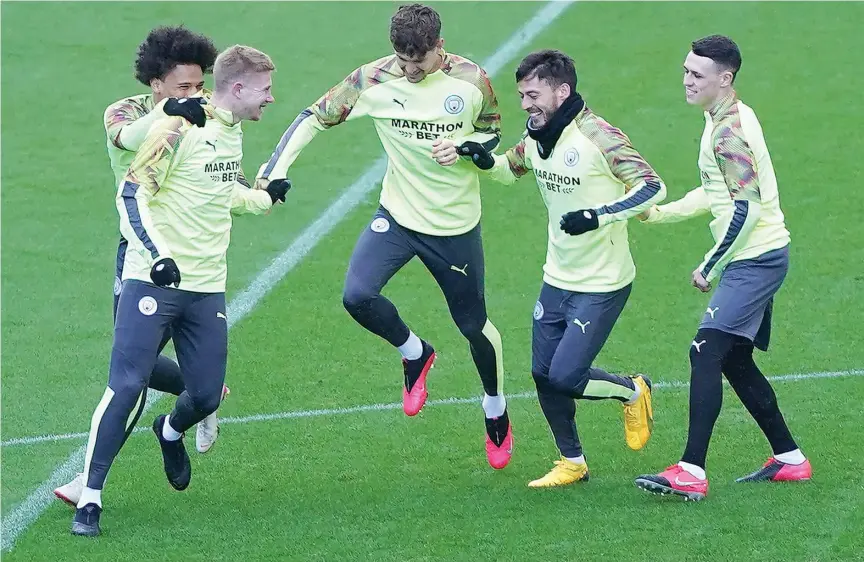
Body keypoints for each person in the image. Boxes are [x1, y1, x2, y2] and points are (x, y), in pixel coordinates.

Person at [255, 3, 512, 469]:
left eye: (420, 62)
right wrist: (273, 171)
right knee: (357, 295)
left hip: (453, 227)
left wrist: (468, 148)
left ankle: (495, 407)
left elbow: (492, 134)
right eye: (402, 62)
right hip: (396, 216)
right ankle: (415, 353)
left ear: (439, 45)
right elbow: (313, 116)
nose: (410, 72)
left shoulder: (472, 81)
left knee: (474, 326)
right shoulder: (372, 80)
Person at [71, 45, 290, 537]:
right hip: (152, 276)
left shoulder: (229, 132)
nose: (271, 99)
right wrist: (158, 255)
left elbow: (217, 188)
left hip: (208, 285)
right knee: (127, 382)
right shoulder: (175, 126)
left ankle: (169, 431)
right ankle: (91, 496)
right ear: (239, 89)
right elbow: (131, 190)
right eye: (266, 89)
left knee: (207, 395)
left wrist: (261, 199)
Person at [456, 50, 663, 487]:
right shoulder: (538, 135)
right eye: (521, 95)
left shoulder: (597, 136)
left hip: (603, 282)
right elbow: (511, 169)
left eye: (533, 94)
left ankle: (633, 390)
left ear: (561, 91)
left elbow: (652, 186)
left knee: (567, 376)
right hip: (557, 276)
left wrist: (598, 215)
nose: (525, 104)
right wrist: (482, 160)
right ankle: (572, 461)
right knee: (542, 372)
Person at [54, 25, 231, 509]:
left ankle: (88, 483)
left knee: (130, 374)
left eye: (199, 86)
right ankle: (207, 391)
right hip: (140, 247)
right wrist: (170, 113)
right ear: (156, 83)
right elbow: (128, 137)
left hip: (194, 257)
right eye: (182, 87)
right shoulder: (125, 111)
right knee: (136, 367)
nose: (194, 94)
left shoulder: (204, 113)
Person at [634, 35, 811, 501]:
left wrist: (711, 264)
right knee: (732, 357)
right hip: (756, 255)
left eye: (697, 74)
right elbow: (718, 191)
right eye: (686, 70)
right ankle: (790, 459)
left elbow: (746, 208)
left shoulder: (728, 130)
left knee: (704, 351)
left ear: (724, 79)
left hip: (756, 258)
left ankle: (691, 470)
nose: (686, 80)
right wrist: (662, 213)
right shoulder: (724, 117)